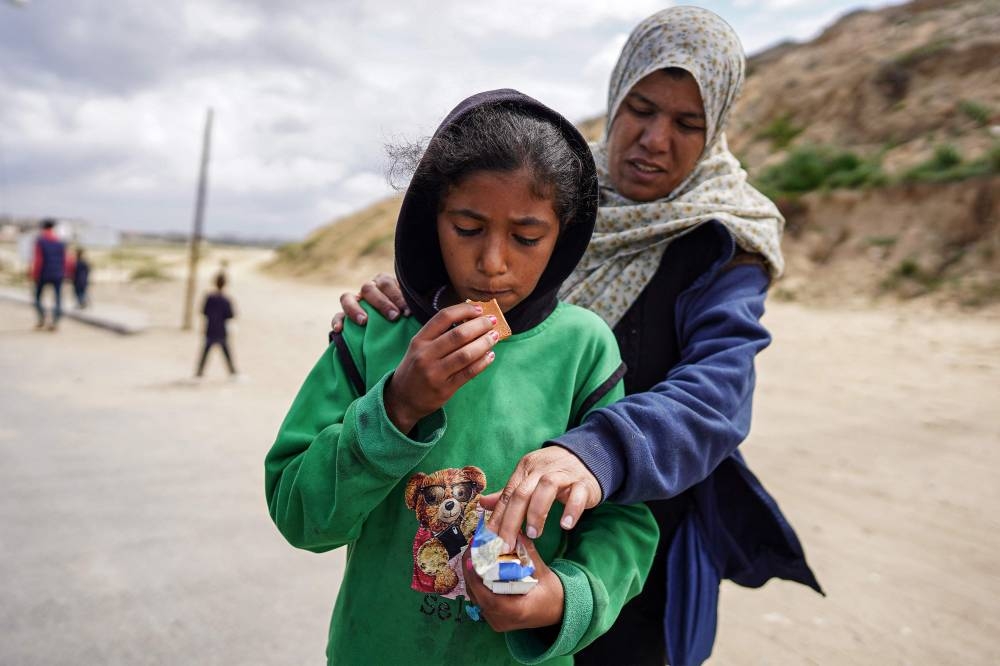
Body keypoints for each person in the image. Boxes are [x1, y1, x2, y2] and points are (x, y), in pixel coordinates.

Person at [330, 7, 822, 665]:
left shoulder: (725, 241)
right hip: (501, 534)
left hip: (633, 538)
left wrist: (595, 451)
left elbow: (717, 398)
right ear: (615, 98)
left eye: (686, 123)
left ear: (718, 128)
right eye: (641, 109)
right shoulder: (555, 197)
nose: (654, 138)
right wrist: (407, 304)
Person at [265, 90, 658, 664]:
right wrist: (397, 406)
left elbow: (624, 522)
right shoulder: (374, 332)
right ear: (432, 220)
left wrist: (560, 598)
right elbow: (299, 515)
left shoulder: (583, 349)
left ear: (564, 233)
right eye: (468, 227)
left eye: (527, 237)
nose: (493, 263)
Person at [195, 272, 238, 379]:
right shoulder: (226, 300)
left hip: (210, 328)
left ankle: (199, 372)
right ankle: (232, 372)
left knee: (206, 352)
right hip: (221, 330)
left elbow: (203, 311)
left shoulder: (209, 298)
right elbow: (230, 315)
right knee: (226, 352)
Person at [31, 218, 67, 331]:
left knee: (37, 298)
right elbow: (64, 260)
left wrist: (34, 274)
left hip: (43, 273)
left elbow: (38, 259)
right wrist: (65, 273)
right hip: (58, 274)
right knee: (58, 299)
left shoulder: (40, 241)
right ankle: (55, 322)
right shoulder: (60, 242)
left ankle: (42, 318)